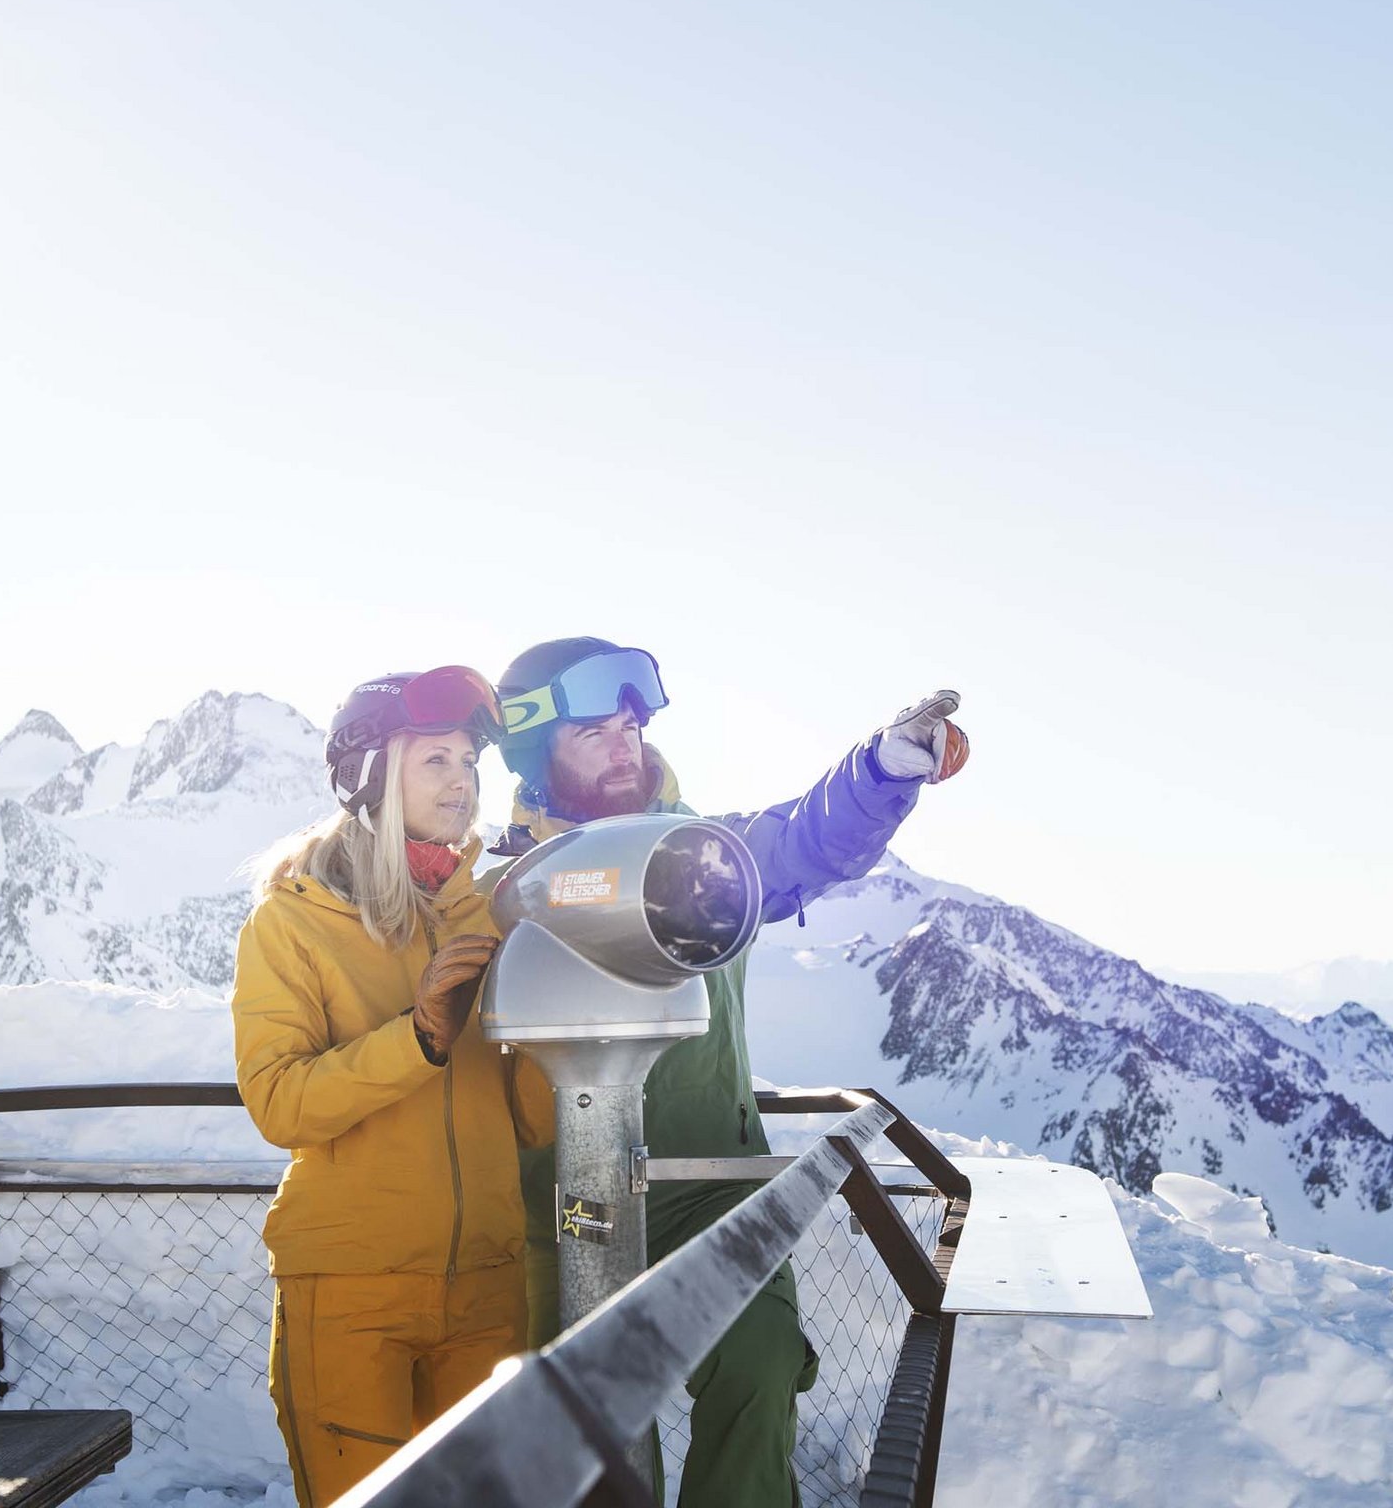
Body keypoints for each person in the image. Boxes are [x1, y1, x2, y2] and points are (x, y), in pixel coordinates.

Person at [486, 638, 968, 1508]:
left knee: (759, 1369)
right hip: (561, 1205)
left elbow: (805, 843)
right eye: (595, 731)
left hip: (703, 1186)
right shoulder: (499, 887)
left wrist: (882, 769)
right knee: (586, 1445)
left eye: (631, 725)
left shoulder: (702, 859)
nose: (625, 744)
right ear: (533, 748)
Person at [231, 665, 552, 1508]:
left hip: (488, 1282)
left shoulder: (482, 912)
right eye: (435, 761)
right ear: (373, 776)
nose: (462, 783)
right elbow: (279, 1102)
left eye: (468, 763)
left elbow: (530, 1123)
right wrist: (417, 1039)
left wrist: (567, 1037)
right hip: (351, 1291)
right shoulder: (294, 919)